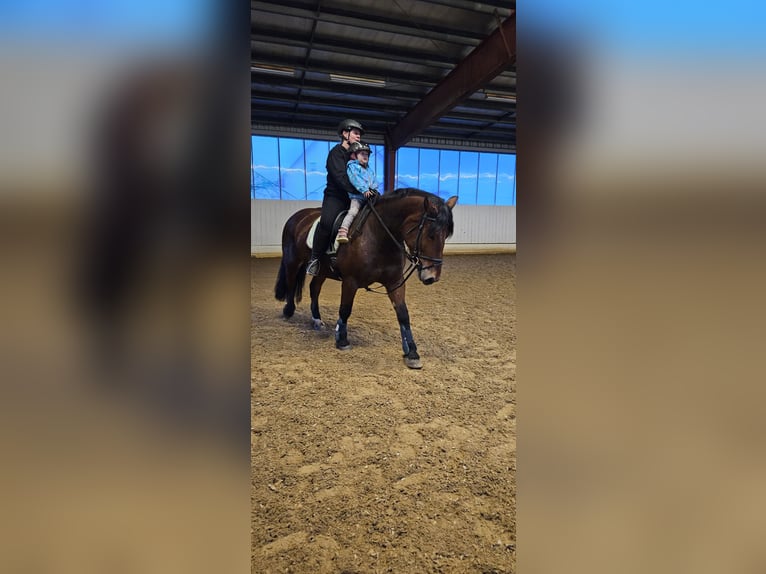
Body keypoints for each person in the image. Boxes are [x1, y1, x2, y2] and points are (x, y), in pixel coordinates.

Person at [306, 119, 363, 276]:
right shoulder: (336, 153)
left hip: (355, 196)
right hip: (336, 197)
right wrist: (358, 190)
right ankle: (315, 259)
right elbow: (340, 178)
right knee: (327, 223)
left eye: (359, 134)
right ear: (345, 133)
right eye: (355, 133)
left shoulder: (356, 155)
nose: (358, 137)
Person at [337, 141, 377, 243]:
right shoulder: (352, 167)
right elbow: (355, 179)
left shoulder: (369, 170)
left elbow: (374, 180)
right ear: (354, 155)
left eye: (367, 154)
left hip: (369, 197)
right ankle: (343, 231)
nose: (365, 156)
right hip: (358, 196)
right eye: (362, 154)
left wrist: (374, 189)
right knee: (353, 211)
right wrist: (364, 189)